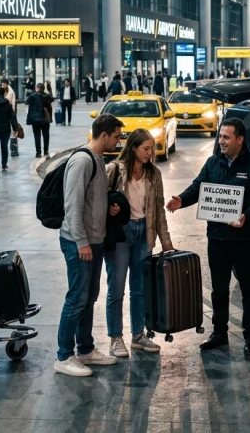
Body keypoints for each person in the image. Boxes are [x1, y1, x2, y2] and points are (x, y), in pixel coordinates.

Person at [166, 118, 250, 357]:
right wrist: (181, 200)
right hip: (217, 238)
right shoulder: (213, 162)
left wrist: (247, 215)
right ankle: (219, 333)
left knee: (248, 291)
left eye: (226, 137)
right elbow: (198, 187)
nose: (221, 141)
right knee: (219, 290)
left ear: (240, 139)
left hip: (246, 240)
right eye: (220, 136)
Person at [55, 113, 125, 377]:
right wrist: (82, 242)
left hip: (94, 241)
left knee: (88, 298)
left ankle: (85, 349)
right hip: (78, 243)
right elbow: (72, 205)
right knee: (76, 298)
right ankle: (63, 356)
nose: (119, 142)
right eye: (117, 137)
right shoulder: (83, 160)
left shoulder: (97, 159)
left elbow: (92, 200)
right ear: (103, 135)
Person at [103, 128, 173, 358]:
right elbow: (99, 201)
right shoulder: (114, 170)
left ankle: (138, 335)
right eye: (146, 148)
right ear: (133, 147)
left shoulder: (154, 174)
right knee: (116, 288)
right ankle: (115, 338)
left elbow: (159, 211)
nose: (150, 153)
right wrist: (110, 208)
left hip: (144, 232)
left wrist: (166, 242)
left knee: (140, 289)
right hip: (121, 234)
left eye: (151, 148)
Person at [25, 82, 53, 157]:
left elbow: (26, 102)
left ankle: (38, 152)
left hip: (35, 119)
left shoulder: (33, 95)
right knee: (46, 135)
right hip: (45, 118)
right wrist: (50, 90)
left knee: (37, 135)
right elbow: (51, 99)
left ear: (37, 88)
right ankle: (46, 151)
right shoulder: (46, 96)